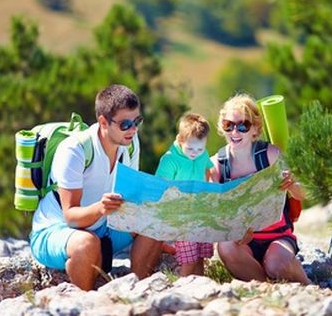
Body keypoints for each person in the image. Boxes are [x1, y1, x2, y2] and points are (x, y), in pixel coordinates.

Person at [29, 84, 163, 291]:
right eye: (125, 124)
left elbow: (132, 199)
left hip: (103, 229)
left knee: (156, 219)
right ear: (103, 122)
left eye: (137, 121)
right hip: (56, 230)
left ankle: (138, 291)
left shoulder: (131, 142)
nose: (133, 129)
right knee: (87, 244)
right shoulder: (75, 150)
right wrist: (101, 208)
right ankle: (88, 303)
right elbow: (71, 216)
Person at [208, 93, 311, 284]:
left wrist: (293, 185)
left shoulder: (271, 155)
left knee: (276, 265)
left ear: (255, 128)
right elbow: (216, 208)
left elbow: (303, 193)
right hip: (243, 241)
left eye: (243, 126)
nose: (235, 132)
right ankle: (264, 287)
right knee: (226, 247)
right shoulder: (217, 164)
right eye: (228, 125)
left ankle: (309, 286)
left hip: (278, 236)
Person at [155, 112, 214, 276]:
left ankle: (201, 284)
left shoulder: (203, 154)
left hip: (199, 211)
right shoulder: (170, 160)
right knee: (188, 259)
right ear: (180, 139)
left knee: (201, 255)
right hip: (181, 215)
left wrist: (208, 187)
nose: (195, 152)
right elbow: (160, 187)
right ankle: (183, 287)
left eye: (200, 148)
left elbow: (208, 168)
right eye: (190, 148)